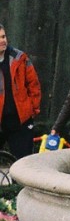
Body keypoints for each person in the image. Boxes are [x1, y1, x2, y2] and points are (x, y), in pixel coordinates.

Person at [0, 25, 43, 163]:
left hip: (20, 121)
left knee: (23, 163)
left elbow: (34, 85)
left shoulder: (20, 58)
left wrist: (32, 109)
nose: (3, 41)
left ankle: (19, 185)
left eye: (3, 36)